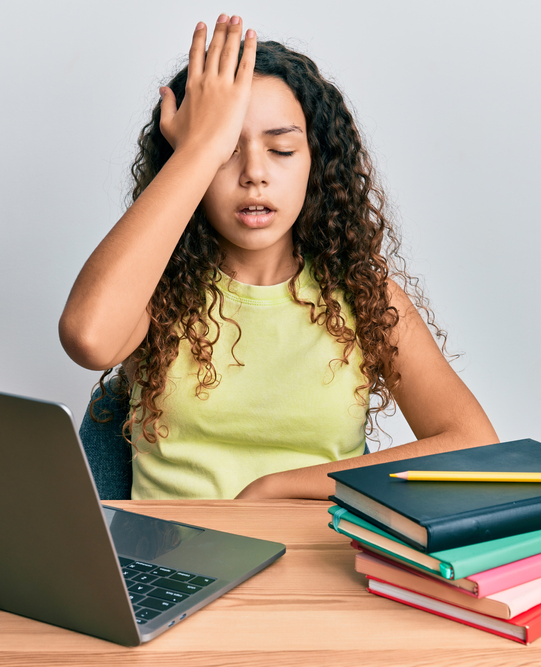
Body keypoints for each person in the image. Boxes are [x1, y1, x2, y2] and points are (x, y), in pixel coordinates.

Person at [59, 14, 498, 501]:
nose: (254, 174)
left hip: (319, 565)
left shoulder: (362, 297)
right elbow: (87, 338)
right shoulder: (153, 293)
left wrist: (279, 488)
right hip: (176, 565)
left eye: (282, 149)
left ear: (316, 161)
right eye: (228, 151)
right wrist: (199, 148)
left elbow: (472, 445)